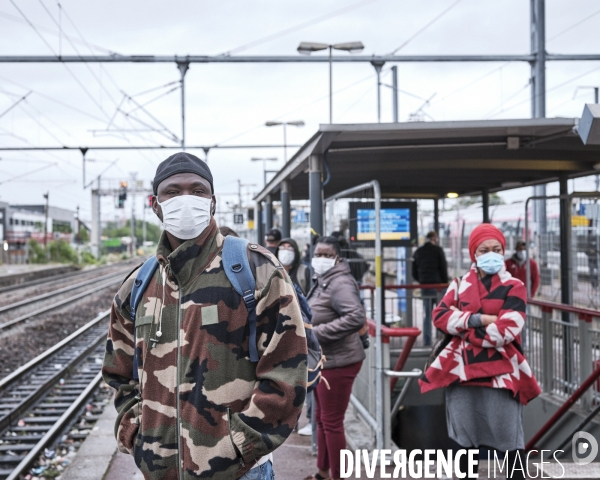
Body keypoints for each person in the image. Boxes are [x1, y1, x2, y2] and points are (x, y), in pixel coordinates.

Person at [102, 152, 307, 480]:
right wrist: (136, 436)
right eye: (172, 191)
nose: (186, 199)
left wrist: (240, 447)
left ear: (212, 202)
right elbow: (119, 373)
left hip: (241, 473)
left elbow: (288, 372)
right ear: (154, 204)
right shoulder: (138, 284)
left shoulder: (256, 270)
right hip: (158, 471)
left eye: (198, 191)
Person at [419, 224, 541, 480]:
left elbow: (506, 332)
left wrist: (462, 326)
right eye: (484, 249)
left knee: (510, 442)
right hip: (463, 377)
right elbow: (439, 317)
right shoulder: (459, 283)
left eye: (497, 249)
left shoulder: (515, 286)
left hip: (501, 377)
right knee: (464, 442)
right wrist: (482, 319)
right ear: (474, 253)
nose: (491, 254)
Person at [306, 236, 366, 480]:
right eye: (318, 253)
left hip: (340, 361)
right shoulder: (324, 280)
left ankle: (336, 476)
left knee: (331, 422)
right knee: (321, 418)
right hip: (326, 360)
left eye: (327, 254)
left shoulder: (339, 282)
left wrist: (315, 334)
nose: (320, 258)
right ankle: (322, 472)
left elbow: (355, 317)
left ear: (338, 258)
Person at [412, 230, 449, 346]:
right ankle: (440, 340)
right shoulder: (438, 250)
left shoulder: (418, 251)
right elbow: (443, 268)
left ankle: (427, 341)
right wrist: (445, 283)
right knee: (440, 314)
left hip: (425, 287)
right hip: (438, 287)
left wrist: (422, 281)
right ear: (434, 238)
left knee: (427, 314)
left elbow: (414, 271)